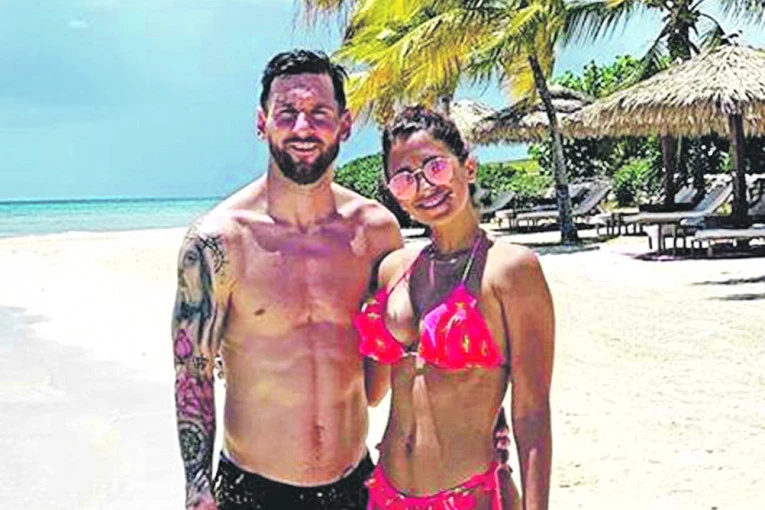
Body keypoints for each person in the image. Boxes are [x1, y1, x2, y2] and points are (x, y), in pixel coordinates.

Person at [171, 49, 403, 510]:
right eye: (287, 112)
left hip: (355, 485)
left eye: (319, 113)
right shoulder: (218, 241)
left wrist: (481, 420)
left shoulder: (377, 232)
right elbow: (192, 372)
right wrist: (197, 484)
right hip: (252, 490)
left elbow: (411, 338)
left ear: (344, 124)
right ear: (262, 123)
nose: (303, 127)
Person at [354, 106, 554, 510]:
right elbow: (371, 393)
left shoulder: (510, 270)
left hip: (469, 496)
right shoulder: (394, 269)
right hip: (385, 494)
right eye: (405, 179)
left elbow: (532, 412)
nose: (425, 186)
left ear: (469, 167)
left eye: (436, 167)